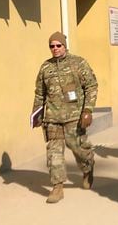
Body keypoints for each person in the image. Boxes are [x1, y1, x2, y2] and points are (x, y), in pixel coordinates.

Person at [31, 31, 98, 203]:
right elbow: (40, 93)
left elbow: (91, 86)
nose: (55, 49)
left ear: (64, 45)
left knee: (78, 148)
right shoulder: (45, 67)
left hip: (74, 117)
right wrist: (37, 113)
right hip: (52, 118)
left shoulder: (78, 63)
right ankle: (57, 187)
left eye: (58, 45)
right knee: (54, 153)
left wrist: (88, 110)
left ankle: (87, 167)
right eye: (52, 46)